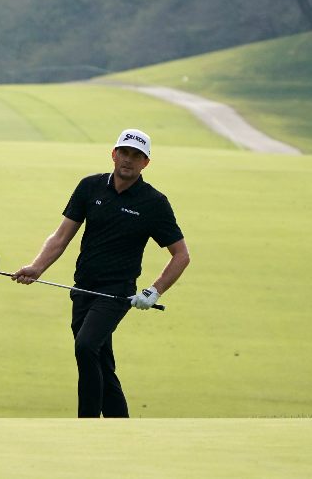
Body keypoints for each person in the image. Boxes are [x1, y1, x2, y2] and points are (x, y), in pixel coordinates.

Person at [11, 128, 190, 418]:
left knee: (85, 346)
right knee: (101, 362)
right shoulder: (89, 187)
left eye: (137, 156)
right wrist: (37, 267)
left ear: (146, 163)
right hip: (83, 288)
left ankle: (88, 423)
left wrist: (153, 290)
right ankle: (120, 426)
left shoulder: (153, 203)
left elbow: (181, 255)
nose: (129, 160)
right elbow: (61, 237)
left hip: (117, 292)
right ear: (113, 154)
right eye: (125, 152)